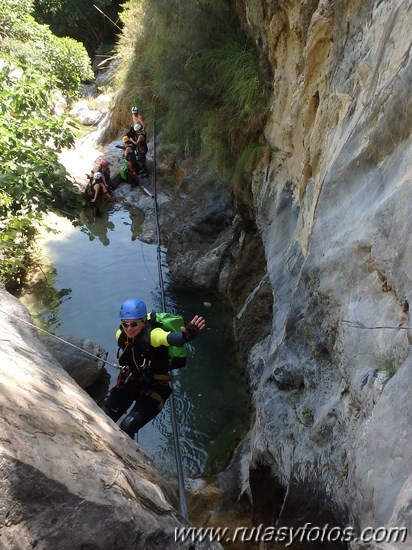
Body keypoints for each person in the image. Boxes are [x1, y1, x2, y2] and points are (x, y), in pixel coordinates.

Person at [102, 298, 206, 440]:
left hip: (155, 388)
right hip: (130, 382)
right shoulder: (120, 335)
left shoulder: (153, 335)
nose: (129, 329)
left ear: (144, 321)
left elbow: (171, 338)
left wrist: (185, 336)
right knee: (102, 417)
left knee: (127, 428)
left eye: (134, 324)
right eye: (125, 324)